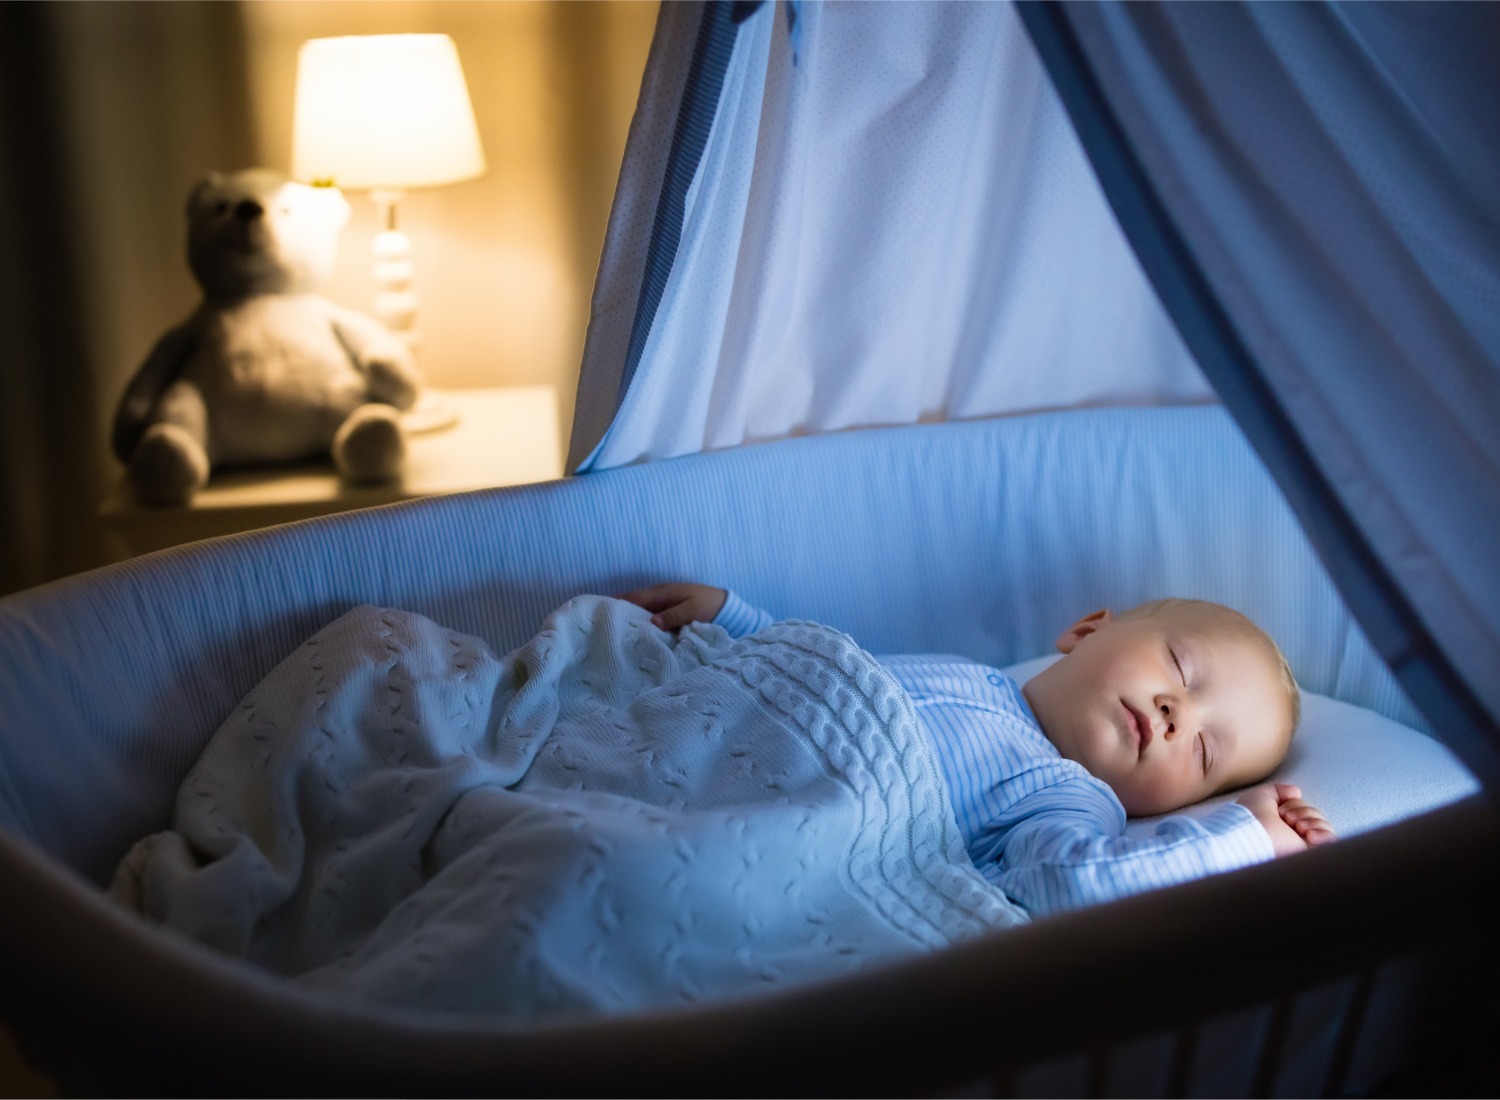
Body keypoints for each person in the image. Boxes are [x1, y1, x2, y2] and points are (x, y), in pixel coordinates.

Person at [619, 582, 1336, 918]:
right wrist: (738, 623)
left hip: (766, 832)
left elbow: (1081, 883)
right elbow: (842, 670)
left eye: (1206, 751)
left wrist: (1242, 836)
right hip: (717, 733)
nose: (1177, 715)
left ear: (1181, 802)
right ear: (1086, 630)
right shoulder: (973, 674)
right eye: (1180, 670)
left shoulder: (1068, 801)